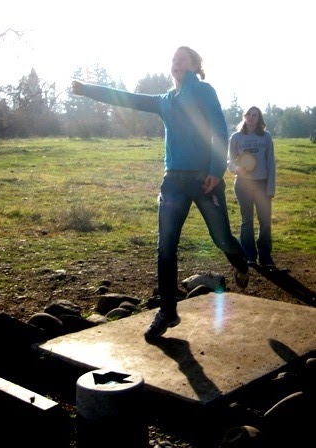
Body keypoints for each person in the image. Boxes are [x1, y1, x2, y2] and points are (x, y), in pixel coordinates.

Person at [71, 46, 249, 341]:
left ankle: (240, 262)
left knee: (221, 238)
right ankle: (167, 311)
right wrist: (88, 89)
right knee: (165, 248)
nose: (177, 62)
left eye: (183, 59)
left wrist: (216, 171)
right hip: (173, 181)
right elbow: (127, 98)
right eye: (174, 59)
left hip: (205, 179)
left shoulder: (203, 91)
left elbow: (219, 129)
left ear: (194, 65)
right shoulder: (164, 100)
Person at [227, 107, 276, 270]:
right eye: (248, 114)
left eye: (254, 115)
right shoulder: (236, 137)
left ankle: (265, 256)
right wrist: (237, 169)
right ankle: (249, 256)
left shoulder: (266, 137)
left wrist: (271, 188)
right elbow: (230, 162)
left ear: (259, 118)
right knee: (247, 221)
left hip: (262, 184)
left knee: (265, 221)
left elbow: (271, 163)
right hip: (243, 184)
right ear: (244, 116)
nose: (251, 117)